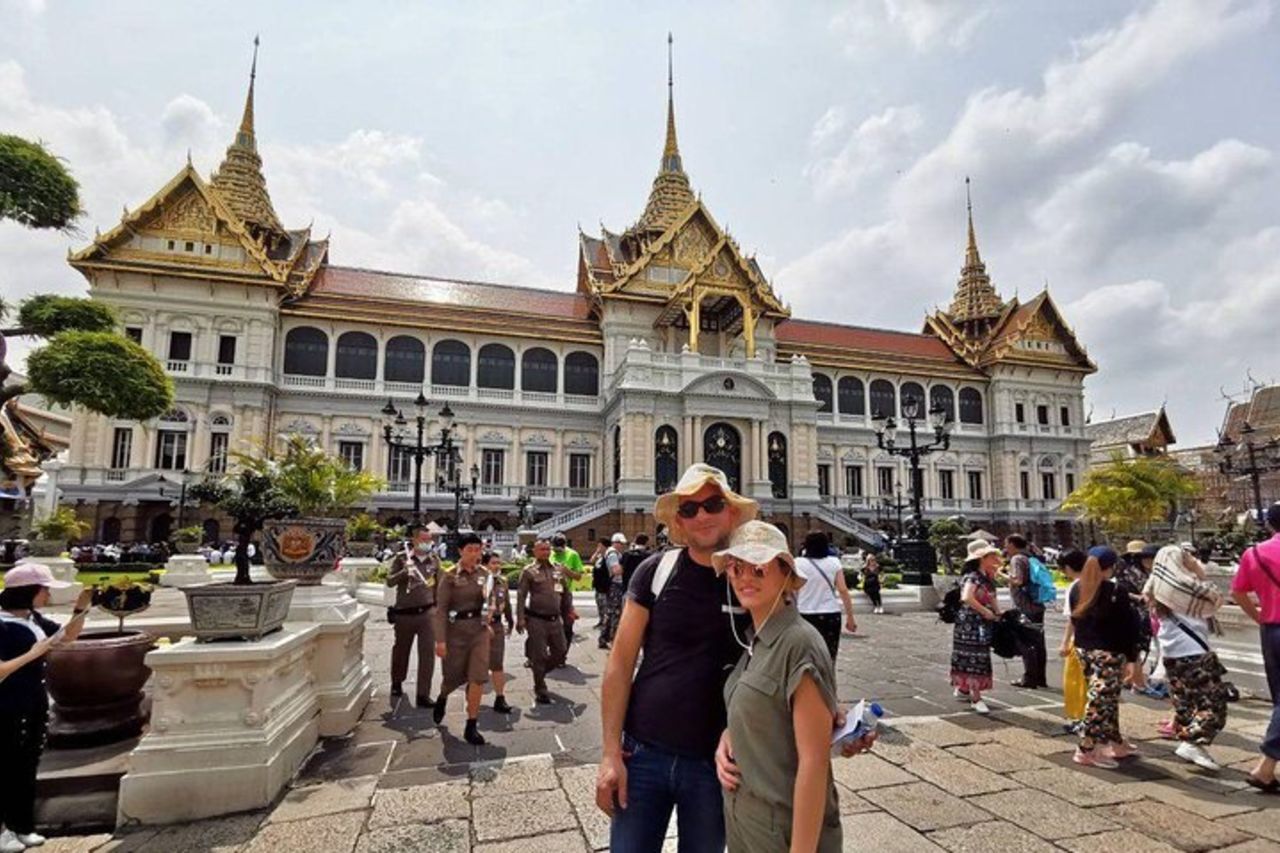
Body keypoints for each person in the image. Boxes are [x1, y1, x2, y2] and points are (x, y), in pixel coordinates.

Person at [714, 521, 842, 852]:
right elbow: (760, 709)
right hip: (744, 821)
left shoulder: (799, 643)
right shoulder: (753, 640)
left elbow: (814, 763)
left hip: (782, 829)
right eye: (736, 567)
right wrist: (729, 738)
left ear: (785, 572)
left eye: (758, 568)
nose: (744, 578)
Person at [1, 565, 92, 852]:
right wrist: (33, 654)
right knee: (5, 765)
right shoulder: (2, 625)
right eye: (44, 590)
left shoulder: (33, 619)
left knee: (27, 763)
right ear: (28, 592)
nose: (48, 594)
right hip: (6, 703)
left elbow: (66, 637)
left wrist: (81, 608)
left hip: (33, 699)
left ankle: (22, 825)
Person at [1145, 544, 1227, 770]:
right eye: (1186, 555)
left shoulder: (1157, 586)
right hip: (1194, 653)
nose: (1191, 557)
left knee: (1185, 704)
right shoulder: (1184, 586)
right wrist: (1199, 571)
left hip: (1173, 654)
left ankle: (1191, 745)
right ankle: (1191, 743)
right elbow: (1216, 598)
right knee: (1214, 706)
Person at [1070, 546, 1140, 769]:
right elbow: (1127, 628)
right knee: (1100, 701)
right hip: (1110, 652)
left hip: (1085, 649)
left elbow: (1075, 621)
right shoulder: (1114, 591)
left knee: (1105, 698)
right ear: (1109, 568)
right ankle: (1086, 748)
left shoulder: (1077, 589)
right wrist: (1132, 659)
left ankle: (1115, 741)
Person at [1231, 502, 1280, 792]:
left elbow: (1237, 591)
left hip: (1271, 630)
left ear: (1270, 525)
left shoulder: (1254, 553)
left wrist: (1259, 616)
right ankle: (1264, 767)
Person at [431, 532, 490, 746]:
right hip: (455, 632)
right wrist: (440, 640)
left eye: (478, 549)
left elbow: (490, 601)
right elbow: (441, 610)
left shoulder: (485, 574)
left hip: (479, 632)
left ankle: (471, 724)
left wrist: (491, 614)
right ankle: (443, 696)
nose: (475, 554)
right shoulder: (449, 576)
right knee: (452, 677)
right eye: (470, 550)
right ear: (460, 551)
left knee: (478, 677)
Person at [386, 525, 440, 706]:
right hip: (405, 614)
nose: (427, 543)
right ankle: (397, 682)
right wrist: (404, 572)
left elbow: (439, 586)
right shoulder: (402, 558)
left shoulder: (434, 560)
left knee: (427, 655)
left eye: (429, 539)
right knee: (401, 650)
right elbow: (389, 581)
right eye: (424, 539)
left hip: (427, 614)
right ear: (415, 540)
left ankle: (423, 693)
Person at [950, 539, 1003, 714]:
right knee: (974, 657)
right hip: (971, 623)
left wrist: (997, 612)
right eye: (991, 555)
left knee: (977, 656)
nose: (995, 558)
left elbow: (992, 597)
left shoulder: (987, 577)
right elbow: (967, 597)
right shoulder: (973, 576)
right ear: (982, 558)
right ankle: (976, 697)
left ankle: (964, 688)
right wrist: (985, 611)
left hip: (980, 622)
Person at [517, 537, 570, 704]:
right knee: (539, 655)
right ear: (534, 551)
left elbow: (565, 592)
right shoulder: (529, 571)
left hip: (555, 620)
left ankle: (538, 671)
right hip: (536, 620)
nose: (546, 552)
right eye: (542, 549)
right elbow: (521, 596)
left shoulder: (557, 570)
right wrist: (520, 618)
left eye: (548, 549)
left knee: (560, 652)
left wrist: (569, 612)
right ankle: (540, 687)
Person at [793, 530, 857, 661]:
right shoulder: (834, 562)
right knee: (828, 656)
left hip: (804, 613)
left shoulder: (798, 563)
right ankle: (828, 679)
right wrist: (850, 617)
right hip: (830, 614)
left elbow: (792, 591)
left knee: (805, 657)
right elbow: (843, 590)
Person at [1117, 541, 1162, 697]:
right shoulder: (1128, 572)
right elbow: (1123, 592)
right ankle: (1137, 682)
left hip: (1148, 614)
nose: (1146, 561)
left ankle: (1131, 679)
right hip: (1135, 614)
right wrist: (1140, 599)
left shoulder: (1151, 572)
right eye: (1144, 557)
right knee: (1135, 649)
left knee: (1137, 649)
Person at [1005, 534, 1047, 689]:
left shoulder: (1017, 559)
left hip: (1025, 606)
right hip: (1037, 604)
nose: (1005, 548)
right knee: (1039, 642)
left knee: (1026, 642)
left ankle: (1029, 678)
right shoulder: (1031, 557)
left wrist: (1002, 576)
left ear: (1012, 544)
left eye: (1006, 544)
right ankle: (1040, 677)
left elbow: (1018, 580)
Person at [1056, 549, 1089, 734]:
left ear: (1068, 567)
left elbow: (1072, 620)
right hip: (1102, 642)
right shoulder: (1101, 582)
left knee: (1076, 683)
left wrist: (1064, 642)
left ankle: (1080, 719)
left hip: (1081, 641)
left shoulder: (1075, 587)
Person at [482, 550, 515, 714]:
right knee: (478, 664)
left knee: (497, 663)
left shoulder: (502, 581)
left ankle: (500, 698)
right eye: (493, 563)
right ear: (485, 564)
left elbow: (507, 603)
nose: (496, 566)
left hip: (496, 626)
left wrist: (510, 620)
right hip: (479, 627)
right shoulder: (479, 581)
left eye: (498, 563)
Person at [550, 533, 585, 651]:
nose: (557, 551)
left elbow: (579, 576)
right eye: (555, 549)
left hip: (565, 594)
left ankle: (563, 652)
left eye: (560, 549)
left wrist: (566, 571)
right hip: (549, 594)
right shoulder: (548, 553)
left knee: (567, 624)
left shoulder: (572, 555)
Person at [599, 533, 627, 650]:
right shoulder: (613, 554)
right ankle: (611, 639)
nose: (622, 546)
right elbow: (616, 570)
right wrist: (627, 566)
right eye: (621, 543)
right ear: (615, 543)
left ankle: (604, 638)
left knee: (611, 613)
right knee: (615, 613)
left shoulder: (612, 553)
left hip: (613, 586)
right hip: (615, 585)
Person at [591, 537, 612, 629]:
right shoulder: (599, 557)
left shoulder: (608, 557)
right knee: (599, 604)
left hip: (605, 586)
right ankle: (601, 620)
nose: (598, 547)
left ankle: (606, 623)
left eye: (600, 545)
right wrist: (597, 552)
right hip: (597, 585)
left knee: (605, 605)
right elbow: (591, 561)